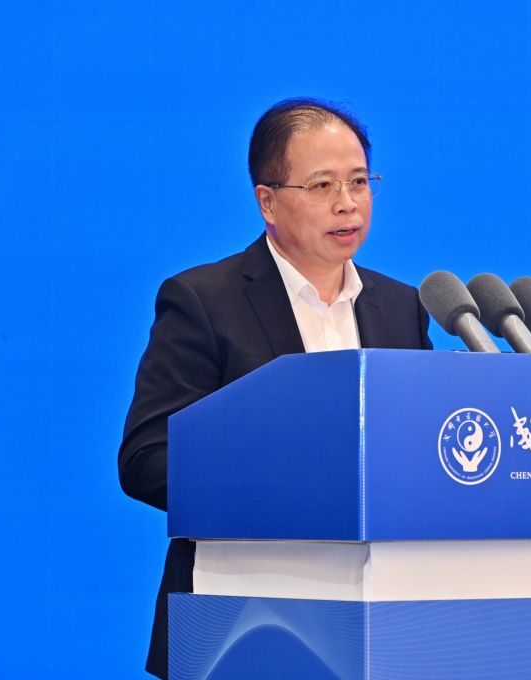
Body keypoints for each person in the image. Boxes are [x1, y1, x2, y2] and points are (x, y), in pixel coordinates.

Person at [117, 98, 433, 678]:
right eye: (322, 185)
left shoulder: (402, 307)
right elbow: (147, 460)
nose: (347, 202)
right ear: (267, 201)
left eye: (359, 181)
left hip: (378, 622)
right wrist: (291, 482)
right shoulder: (204, 302)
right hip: (238, 620)